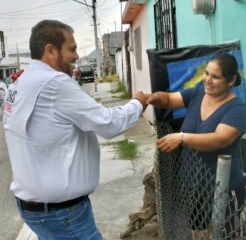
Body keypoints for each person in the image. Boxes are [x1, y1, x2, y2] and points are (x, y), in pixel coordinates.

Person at [3, 20, 147, 240]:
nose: (77, 55)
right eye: (71, 49)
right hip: (62, 214)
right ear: (50, 50)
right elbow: (109, 123)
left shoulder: (21, 83)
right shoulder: (55, 83)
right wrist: (138, 103)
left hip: (36, 209)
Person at [146, 53, 246, 239]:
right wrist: (152, 97)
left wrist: (182, 137)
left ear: (231, 80)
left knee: (224, 236)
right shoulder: (197, 93)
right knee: (199, 234)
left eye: (215, 76)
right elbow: (169, 100)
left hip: (223, 190)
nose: (207, 80)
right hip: (194, 187)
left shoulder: (237, 109)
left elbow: (220, 139)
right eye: (206, 73)